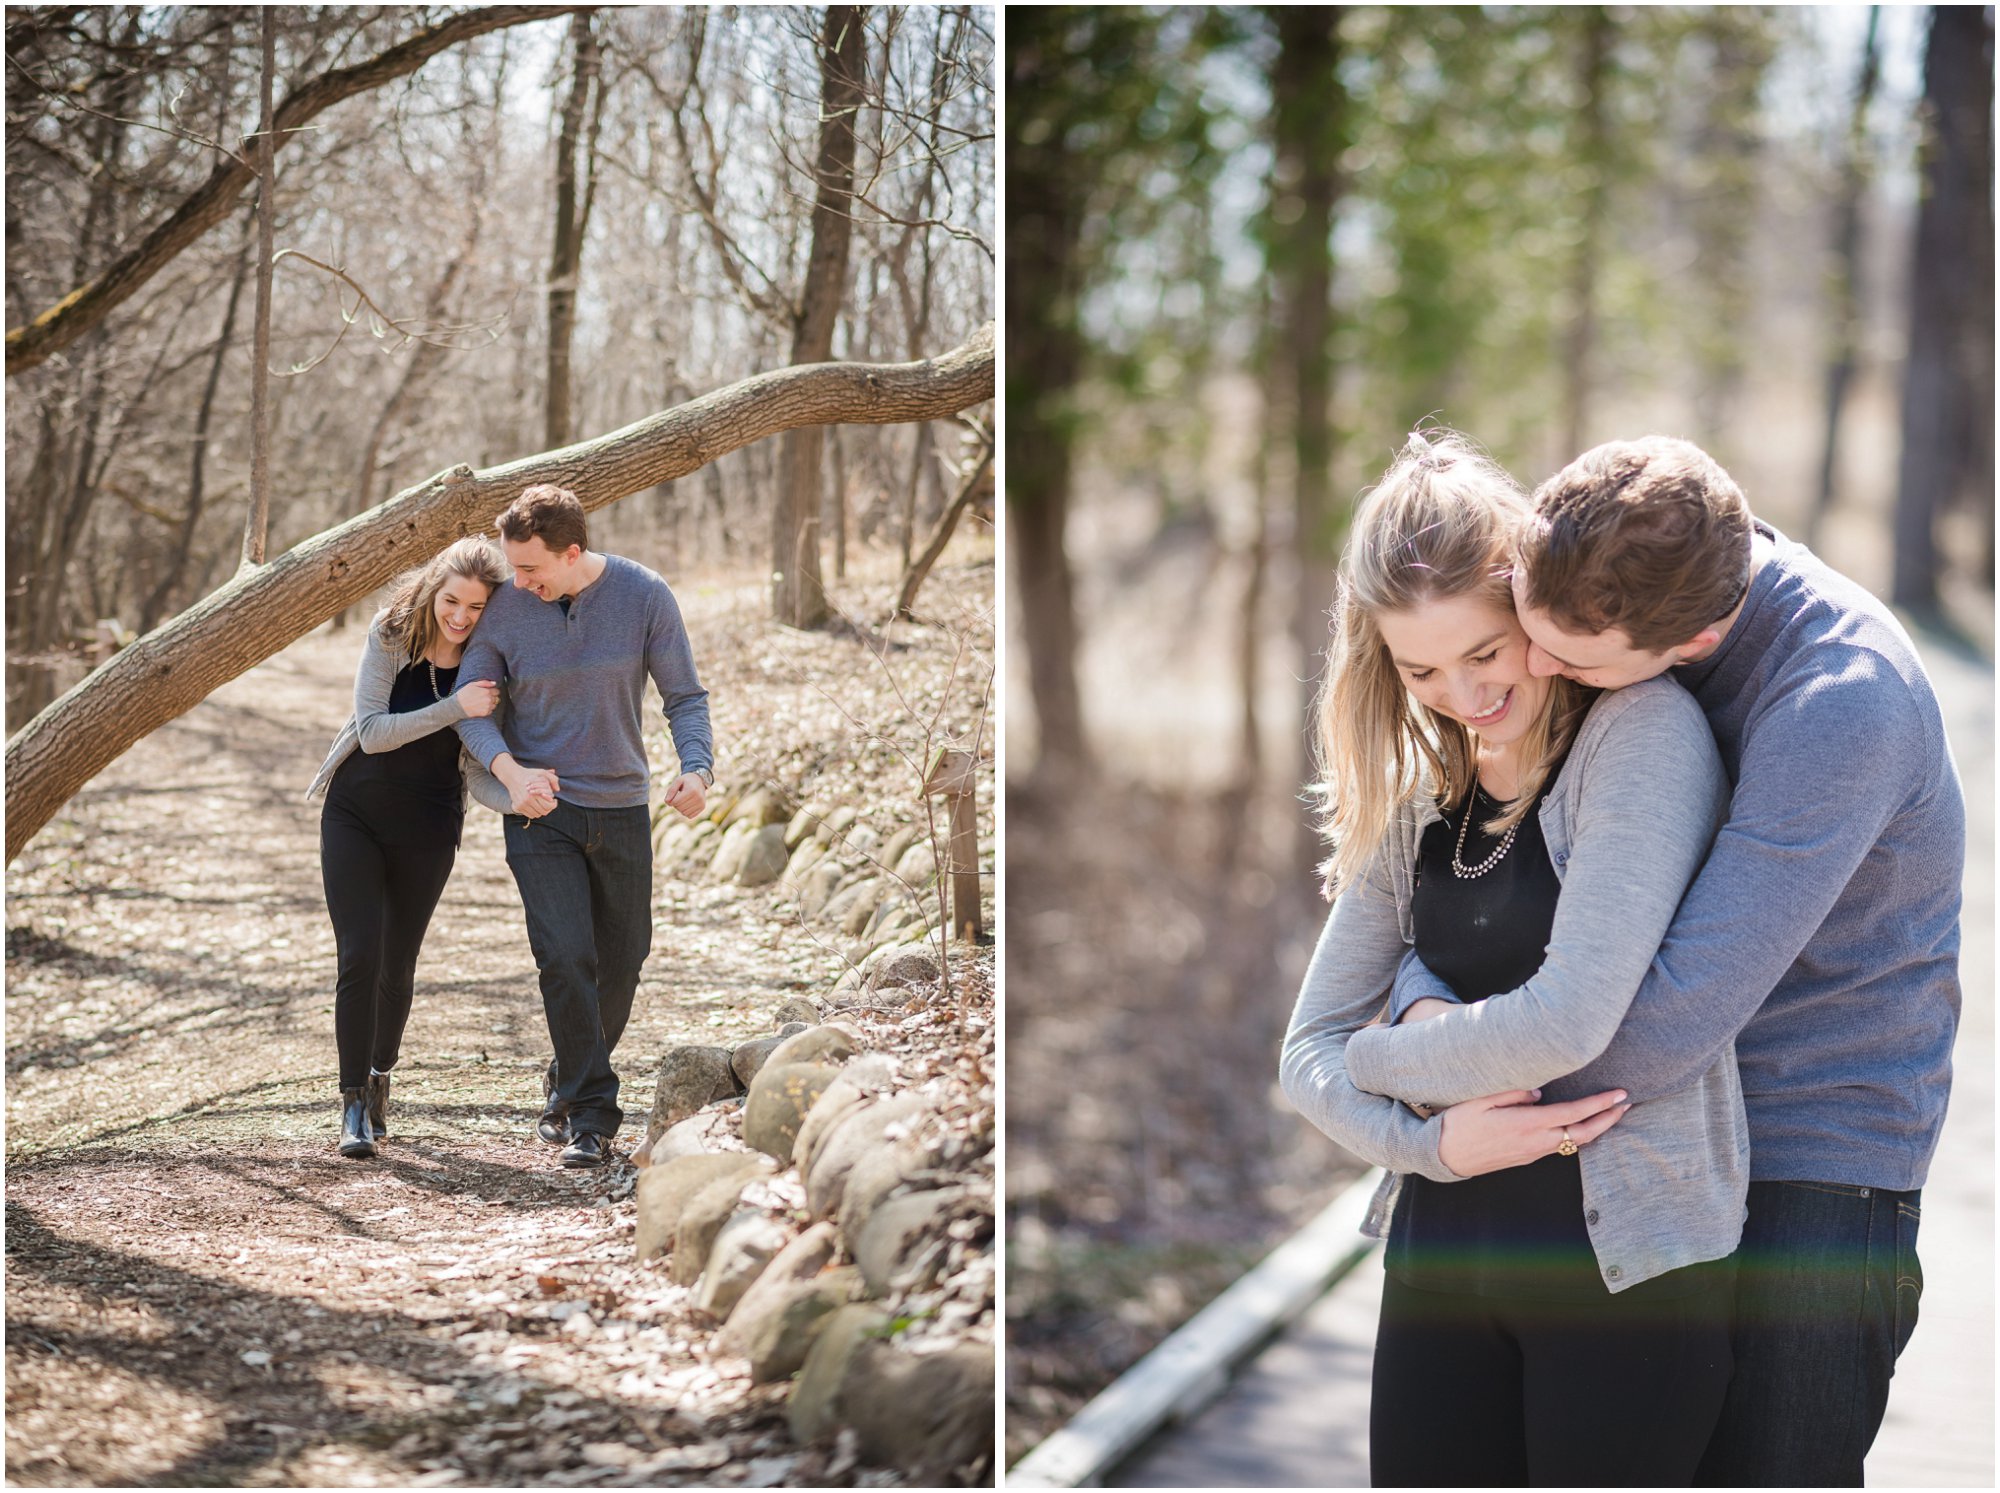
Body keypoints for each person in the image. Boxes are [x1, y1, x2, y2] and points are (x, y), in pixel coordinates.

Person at [1371, 435, 1963, 1486]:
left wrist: (1412, 1088)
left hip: (1808, 1158)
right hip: (1656, 1130)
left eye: (1571, 661)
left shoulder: (1839, 702)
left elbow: (1661, 1022)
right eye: (1531, 630)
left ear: (1690, 639)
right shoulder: (1628, 568)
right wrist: (1423, 1011)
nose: (1536, 669)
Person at [1280, 429, 1747, 1487]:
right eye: (1419, 667)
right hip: (1439, 1261)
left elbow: (1565, 1022)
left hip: (1624, 1276)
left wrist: (1386, 1054)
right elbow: (1301, 1047)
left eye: (1482, 651)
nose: (1460, 691)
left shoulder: (1639, 739)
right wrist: (1442, 1149)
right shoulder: (1423, 788)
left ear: (1528, 610)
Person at [453, 484, 714, 1169]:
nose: (519, 581)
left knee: (622, 960)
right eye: (514, 566)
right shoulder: (506, 610)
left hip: (623, 804)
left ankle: (566, 1081)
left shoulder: (644, 595)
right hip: (540, 812)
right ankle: (592, 1117)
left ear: (574, 552)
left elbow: (683, 695)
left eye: (532, 568)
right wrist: (511, 776)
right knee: (566, 955)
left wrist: (698, 767)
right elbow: (472, 707)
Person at [307, 536, 542, 1159]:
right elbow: (373, 732)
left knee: (397, 965)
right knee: (359, 953)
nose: (460, 617)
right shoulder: (391, 635)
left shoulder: (489, 665)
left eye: (476, 608)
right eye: (452, 601)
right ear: (435, 589)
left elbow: (479, 769)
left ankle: (381, 1076)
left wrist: (518, 795)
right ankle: (352, 1101)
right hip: (355, 812)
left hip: (430, 828)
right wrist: (452, 706)